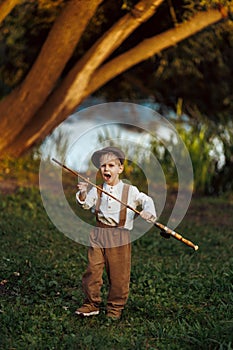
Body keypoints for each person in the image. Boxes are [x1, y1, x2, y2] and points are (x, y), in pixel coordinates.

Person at [75, 146, 156, 319]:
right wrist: (83, 192)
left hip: (120, 236)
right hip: (99, 233)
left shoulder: (130, 191)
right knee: (93, 269)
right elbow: (85, 204)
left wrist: (148, 211)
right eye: (103, 166)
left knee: (119, 273)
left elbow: (146, 200)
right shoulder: (97, 190)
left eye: (111, 165)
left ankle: (115, 307)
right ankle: (91, 303)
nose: (106, 169)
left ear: (120, 169)